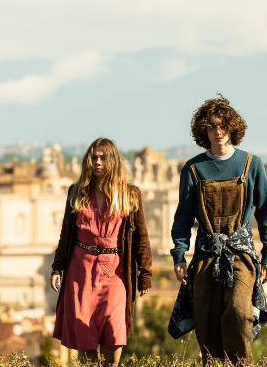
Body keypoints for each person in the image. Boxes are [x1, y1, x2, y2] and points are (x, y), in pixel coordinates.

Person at [168, 95, 267, 364]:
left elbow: (266, 214)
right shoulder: (193, 169)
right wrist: (179, 255)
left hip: (241, 254)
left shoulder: (252, 165)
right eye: (211, 126)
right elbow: (182, 218)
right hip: (205, 256)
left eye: (222, 125)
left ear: (232, 127)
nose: (217, 131)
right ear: (203, 131)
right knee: (206, 321)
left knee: (239, 311)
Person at [51, 137, 152, 367]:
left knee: (114, 339)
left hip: (115, 270)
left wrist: (145, 272)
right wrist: (57, 267)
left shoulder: (130, 194)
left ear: (113, 161)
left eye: (103, 158)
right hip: (80, 269)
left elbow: (141, 238)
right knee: (85, 343)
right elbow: (66, 233)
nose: (97, 162)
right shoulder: (76, 192)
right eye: (93, 157)